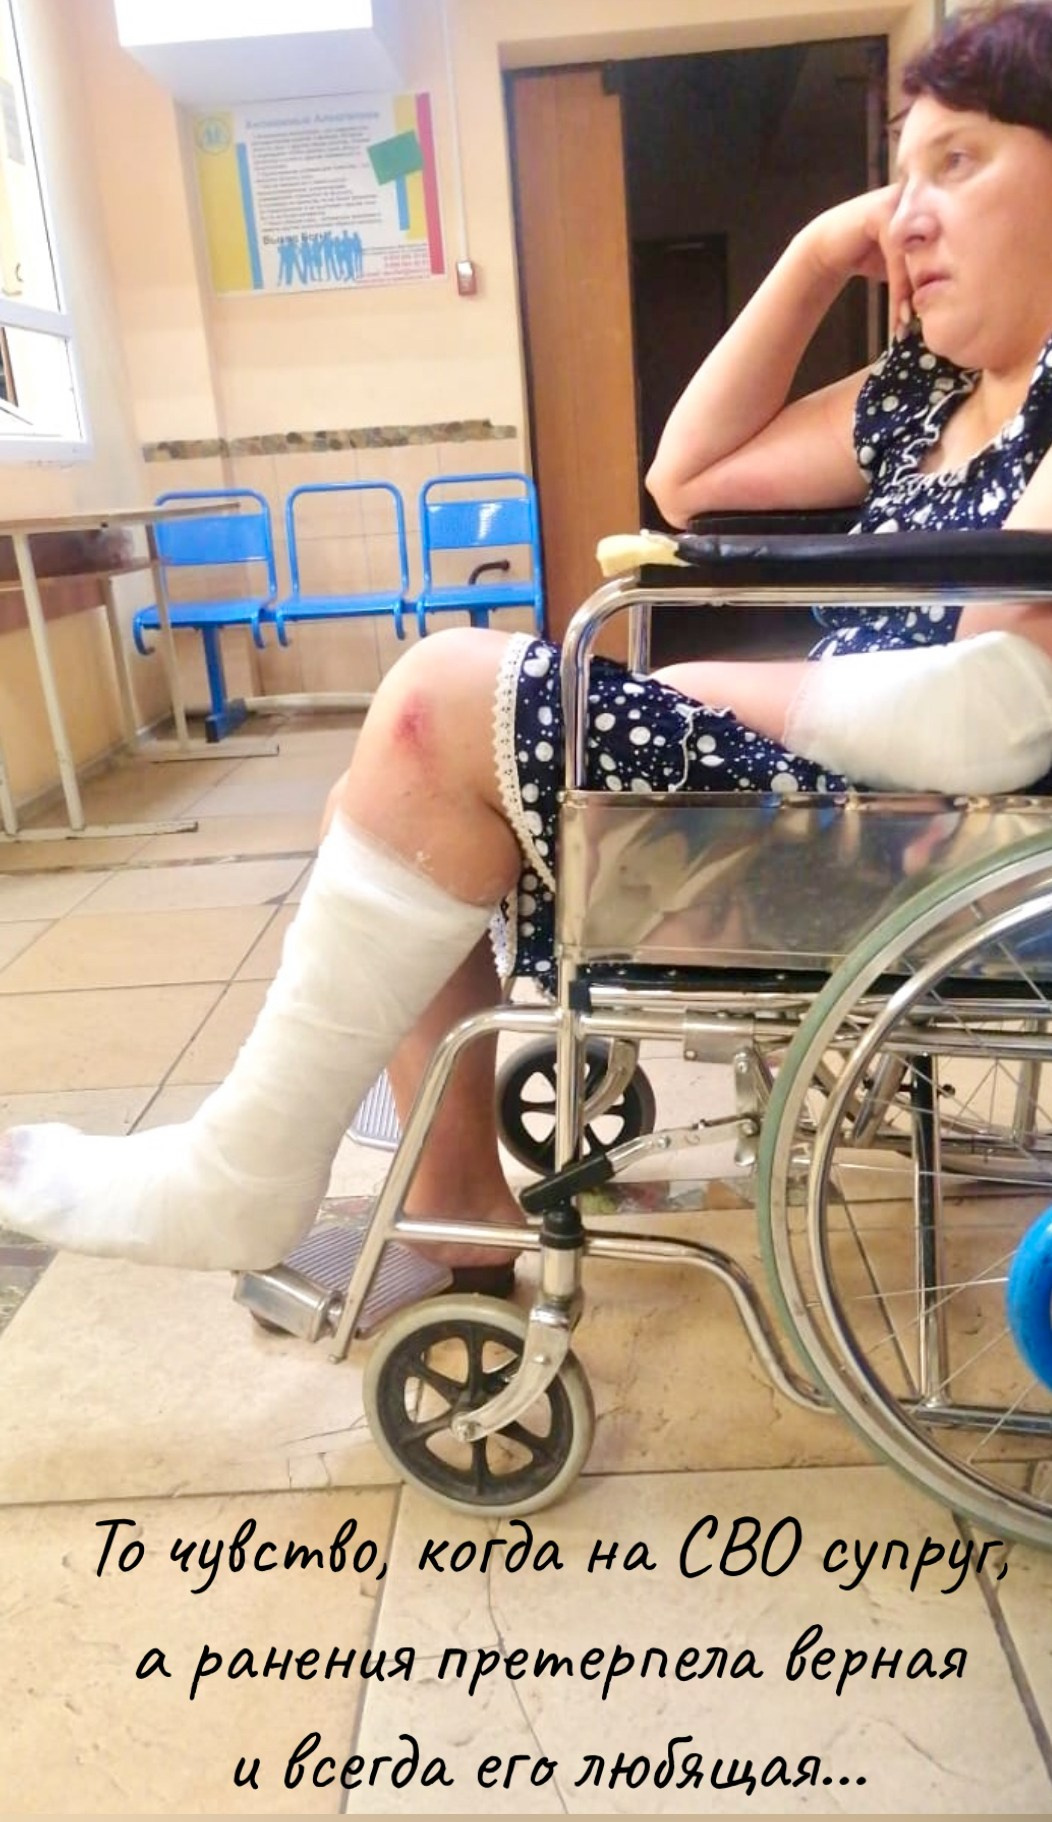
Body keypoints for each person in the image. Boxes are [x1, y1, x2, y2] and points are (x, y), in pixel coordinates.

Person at [4, 0, 1052, 1283]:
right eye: (897, 177)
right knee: (395, 793)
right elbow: (687, 477)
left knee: (440, 698)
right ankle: (450, 1201)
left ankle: (245, 1178)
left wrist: (708, 685)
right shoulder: (925, 397)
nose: (906, 216)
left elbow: (994, 716)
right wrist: (811, 253)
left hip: (917, 847)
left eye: (957, 163)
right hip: (849, 802)